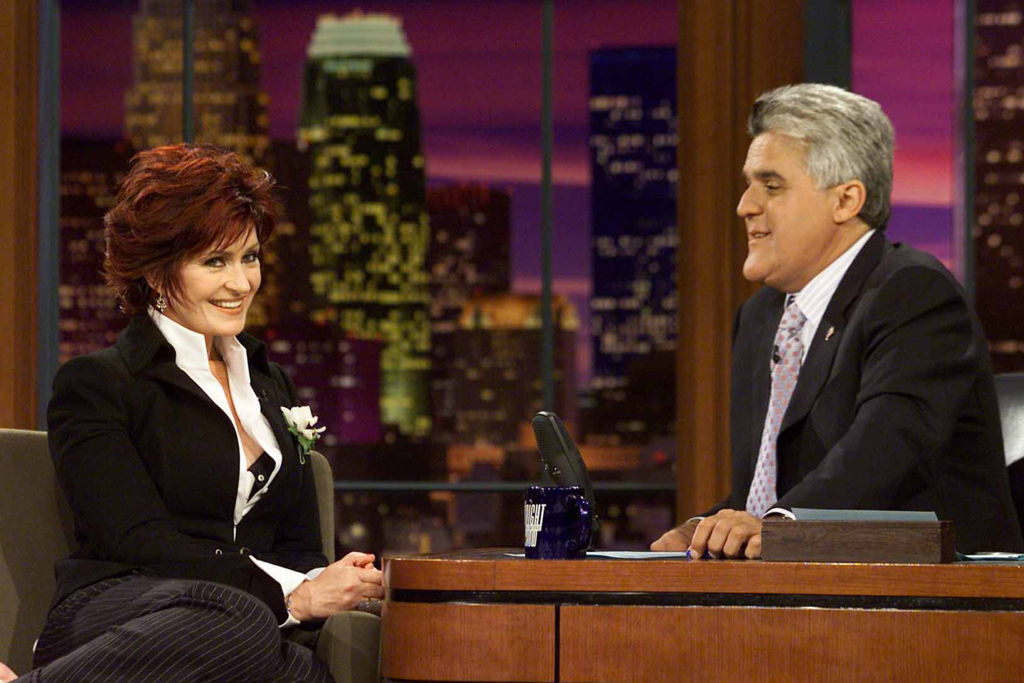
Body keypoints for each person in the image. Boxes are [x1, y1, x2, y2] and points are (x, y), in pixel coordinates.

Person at [9, 144, 383, 682]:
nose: (240, 283)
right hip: (123, 613)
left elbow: (298, 544)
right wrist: (293, 598)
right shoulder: (99, 384)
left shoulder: (270, 383)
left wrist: (334, 580)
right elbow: (136, 540)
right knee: (247, 621)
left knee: (304, 671)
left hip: (246, 628)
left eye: (249, 257)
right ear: (158, 274)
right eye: (215, 262)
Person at [652, 83, 1023, 559]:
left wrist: (776, 529)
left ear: (846, 200)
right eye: (748, 184)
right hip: (802, 590)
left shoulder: (914, 294)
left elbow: (882, 457)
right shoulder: (761, 317)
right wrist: (706, 527)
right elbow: (775, 495)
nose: (745, 205)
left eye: (771, 185)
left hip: (934, 600)